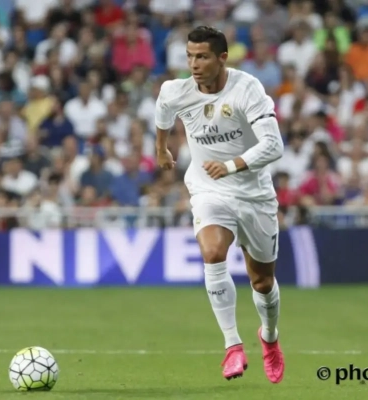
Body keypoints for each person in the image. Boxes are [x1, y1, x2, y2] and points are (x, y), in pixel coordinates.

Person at [155, 26, 285, 383]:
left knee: (263, 282)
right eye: (190, 57)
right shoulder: (176, 90)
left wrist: (231, 165)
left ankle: (269, 337)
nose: (194, 65)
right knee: (212, 253)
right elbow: (163, 111)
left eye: (202, 57)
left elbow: (274, 145)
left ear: (222, 58)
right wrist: (161, 148)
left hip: (254, 194)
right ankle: (232, 345)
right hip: (208, 189)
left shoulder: (247, 88)